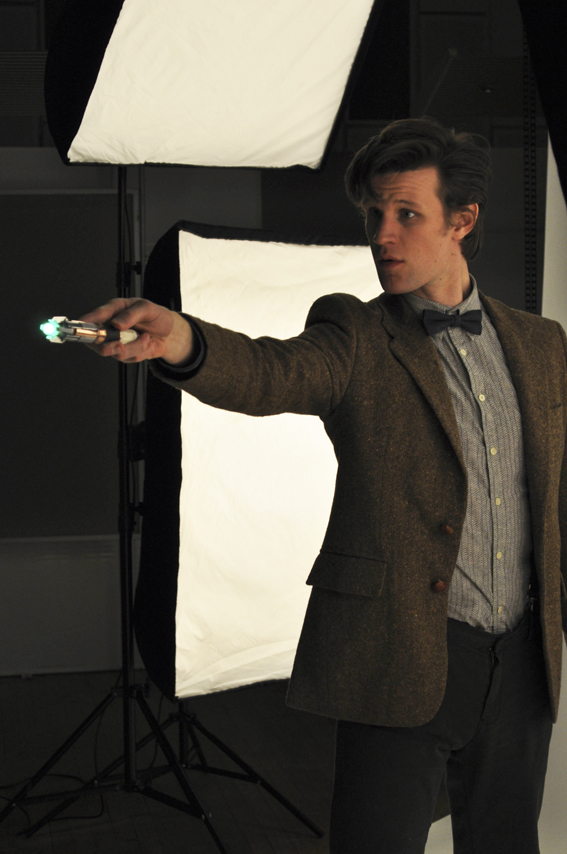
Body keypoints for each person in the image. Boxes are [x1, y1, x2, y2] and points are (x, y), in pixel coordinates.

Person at [82, 117, 567, 853]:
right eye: (374, 214)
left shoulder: (540, 344)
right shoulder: (355, 334)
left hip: (522, 664)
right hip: (399, 650)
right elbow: (270, 371)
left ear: (462, 221)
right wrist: (182, 340)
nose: (382, 235)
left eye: (406, 214)